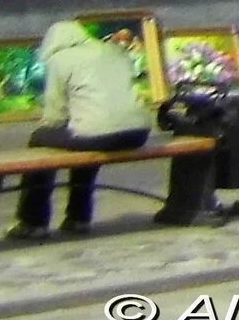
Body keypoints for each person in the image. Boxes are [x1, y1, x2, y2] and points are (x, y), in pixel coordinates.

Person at [9, 18, 151, 240]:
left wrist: (55, 129)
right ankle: (79, 217)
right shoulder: (112, 51)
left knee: (41, 139)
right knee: (84, 141)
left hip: (98, 136)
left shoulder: (60, 59)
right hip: (138, 132)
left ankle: (32, 220)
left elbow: (55, 115)